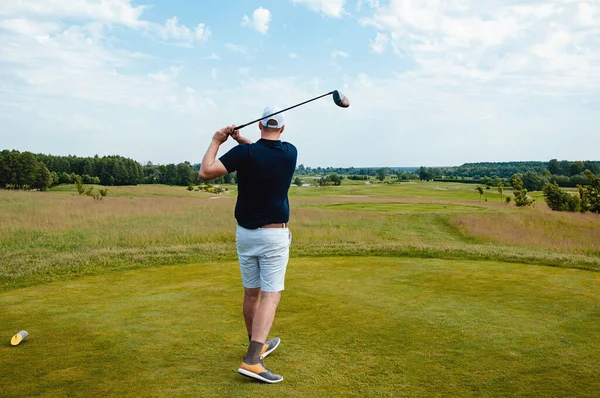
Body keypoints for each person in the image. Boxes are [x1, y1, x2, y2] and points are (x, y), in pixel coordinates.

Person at [198, 106, 297, 384]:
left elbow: (205, 171)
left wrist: (218, 140)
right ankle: (253, 360)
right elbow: (265, 152)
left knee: (251, 294)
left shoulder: (246, 154)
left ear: (259, 126)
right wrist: (241, 142)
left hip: (246, 235)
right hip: (274, 235)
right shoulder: (290, 152)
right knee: (271, 295)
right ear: (283, 129)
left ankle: (258, 345)